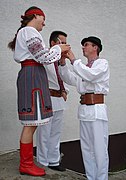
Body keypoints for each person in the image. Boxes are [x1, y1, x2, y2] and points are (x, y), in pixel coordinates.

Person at [8, 6, 70, 177]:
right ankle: (26, 164)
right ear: (36, 15)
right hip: (32, 75)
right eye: (43, 18)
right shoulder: (29, 31)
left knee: (33, 123)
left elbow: (39, 56)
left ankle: (26, 163)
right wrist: (59, 49)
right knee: (31, 123)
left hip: (33, 74)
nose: (44, 22)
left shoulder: (26, 32)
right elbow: (42, 56)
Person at [59, 36, 110, 180]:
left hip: (97, 110)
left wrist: (74, 60)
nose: (83, 47)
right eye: (83, 45)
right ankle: (90, 177)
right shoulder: (83, 68)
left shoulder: (102, 63)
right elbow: (70, 78)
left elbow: (91, 76)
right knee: (86, 148)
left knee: (99, 149)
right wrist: (63, 64)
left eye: (86, 45)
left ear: (95, 48)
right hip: (85, 111)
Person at [36, 31, 68, 171]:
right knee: (44, 132)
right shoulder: (45, 57)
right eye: (62, 42)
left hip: (59, 99)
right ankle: (43, 161)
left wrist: (65, 90)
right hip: (47, 98)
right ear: (53, 44)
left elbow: (65, 78)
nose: (65, 45)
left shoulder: (62, 61)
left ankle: (54, 160)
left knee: (56, 132)